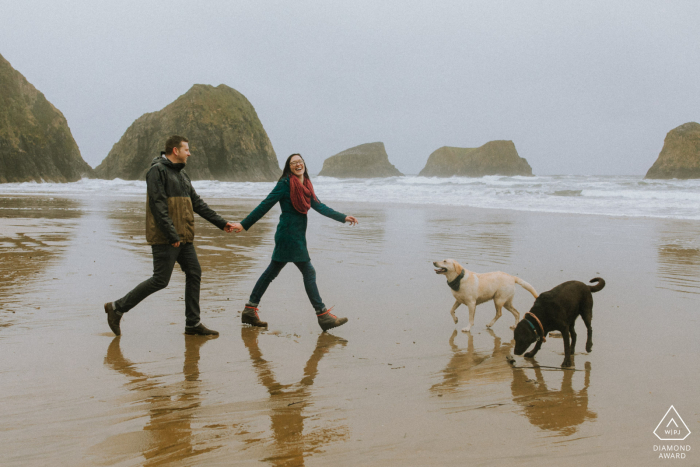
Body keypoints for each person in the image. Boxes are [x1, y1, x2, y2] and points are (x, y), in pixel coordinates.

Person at [104, 135, 235, 336]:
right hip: (167, 237)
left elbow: (197, 203)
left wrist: (222, 223)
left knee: (194, 273)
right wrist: (171, 234)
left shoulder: (182, 175)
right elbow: (158, 206)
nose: (189, 153)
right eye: (186, 149)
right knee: (160, 280)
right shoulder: (156, 172)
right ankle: (116, 308)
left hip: (185, 237)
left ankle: (192, 323)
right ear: (175, 150)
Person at [230, 153, 358, 331]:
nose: (298, 164)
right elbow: (266, 204)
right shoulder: (284, 184)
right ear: (289, 167)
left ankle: (250, 310)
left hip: (296, 235)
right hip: (288, 235)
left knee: (271, 272)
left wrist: (343, 217)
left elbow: (319, 205)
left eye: (300, 161)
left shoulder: (306, 184)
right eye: (293, 163)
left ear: (304, 163)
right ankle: (322, 315)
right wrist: (244, 224)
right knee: (308, 271)